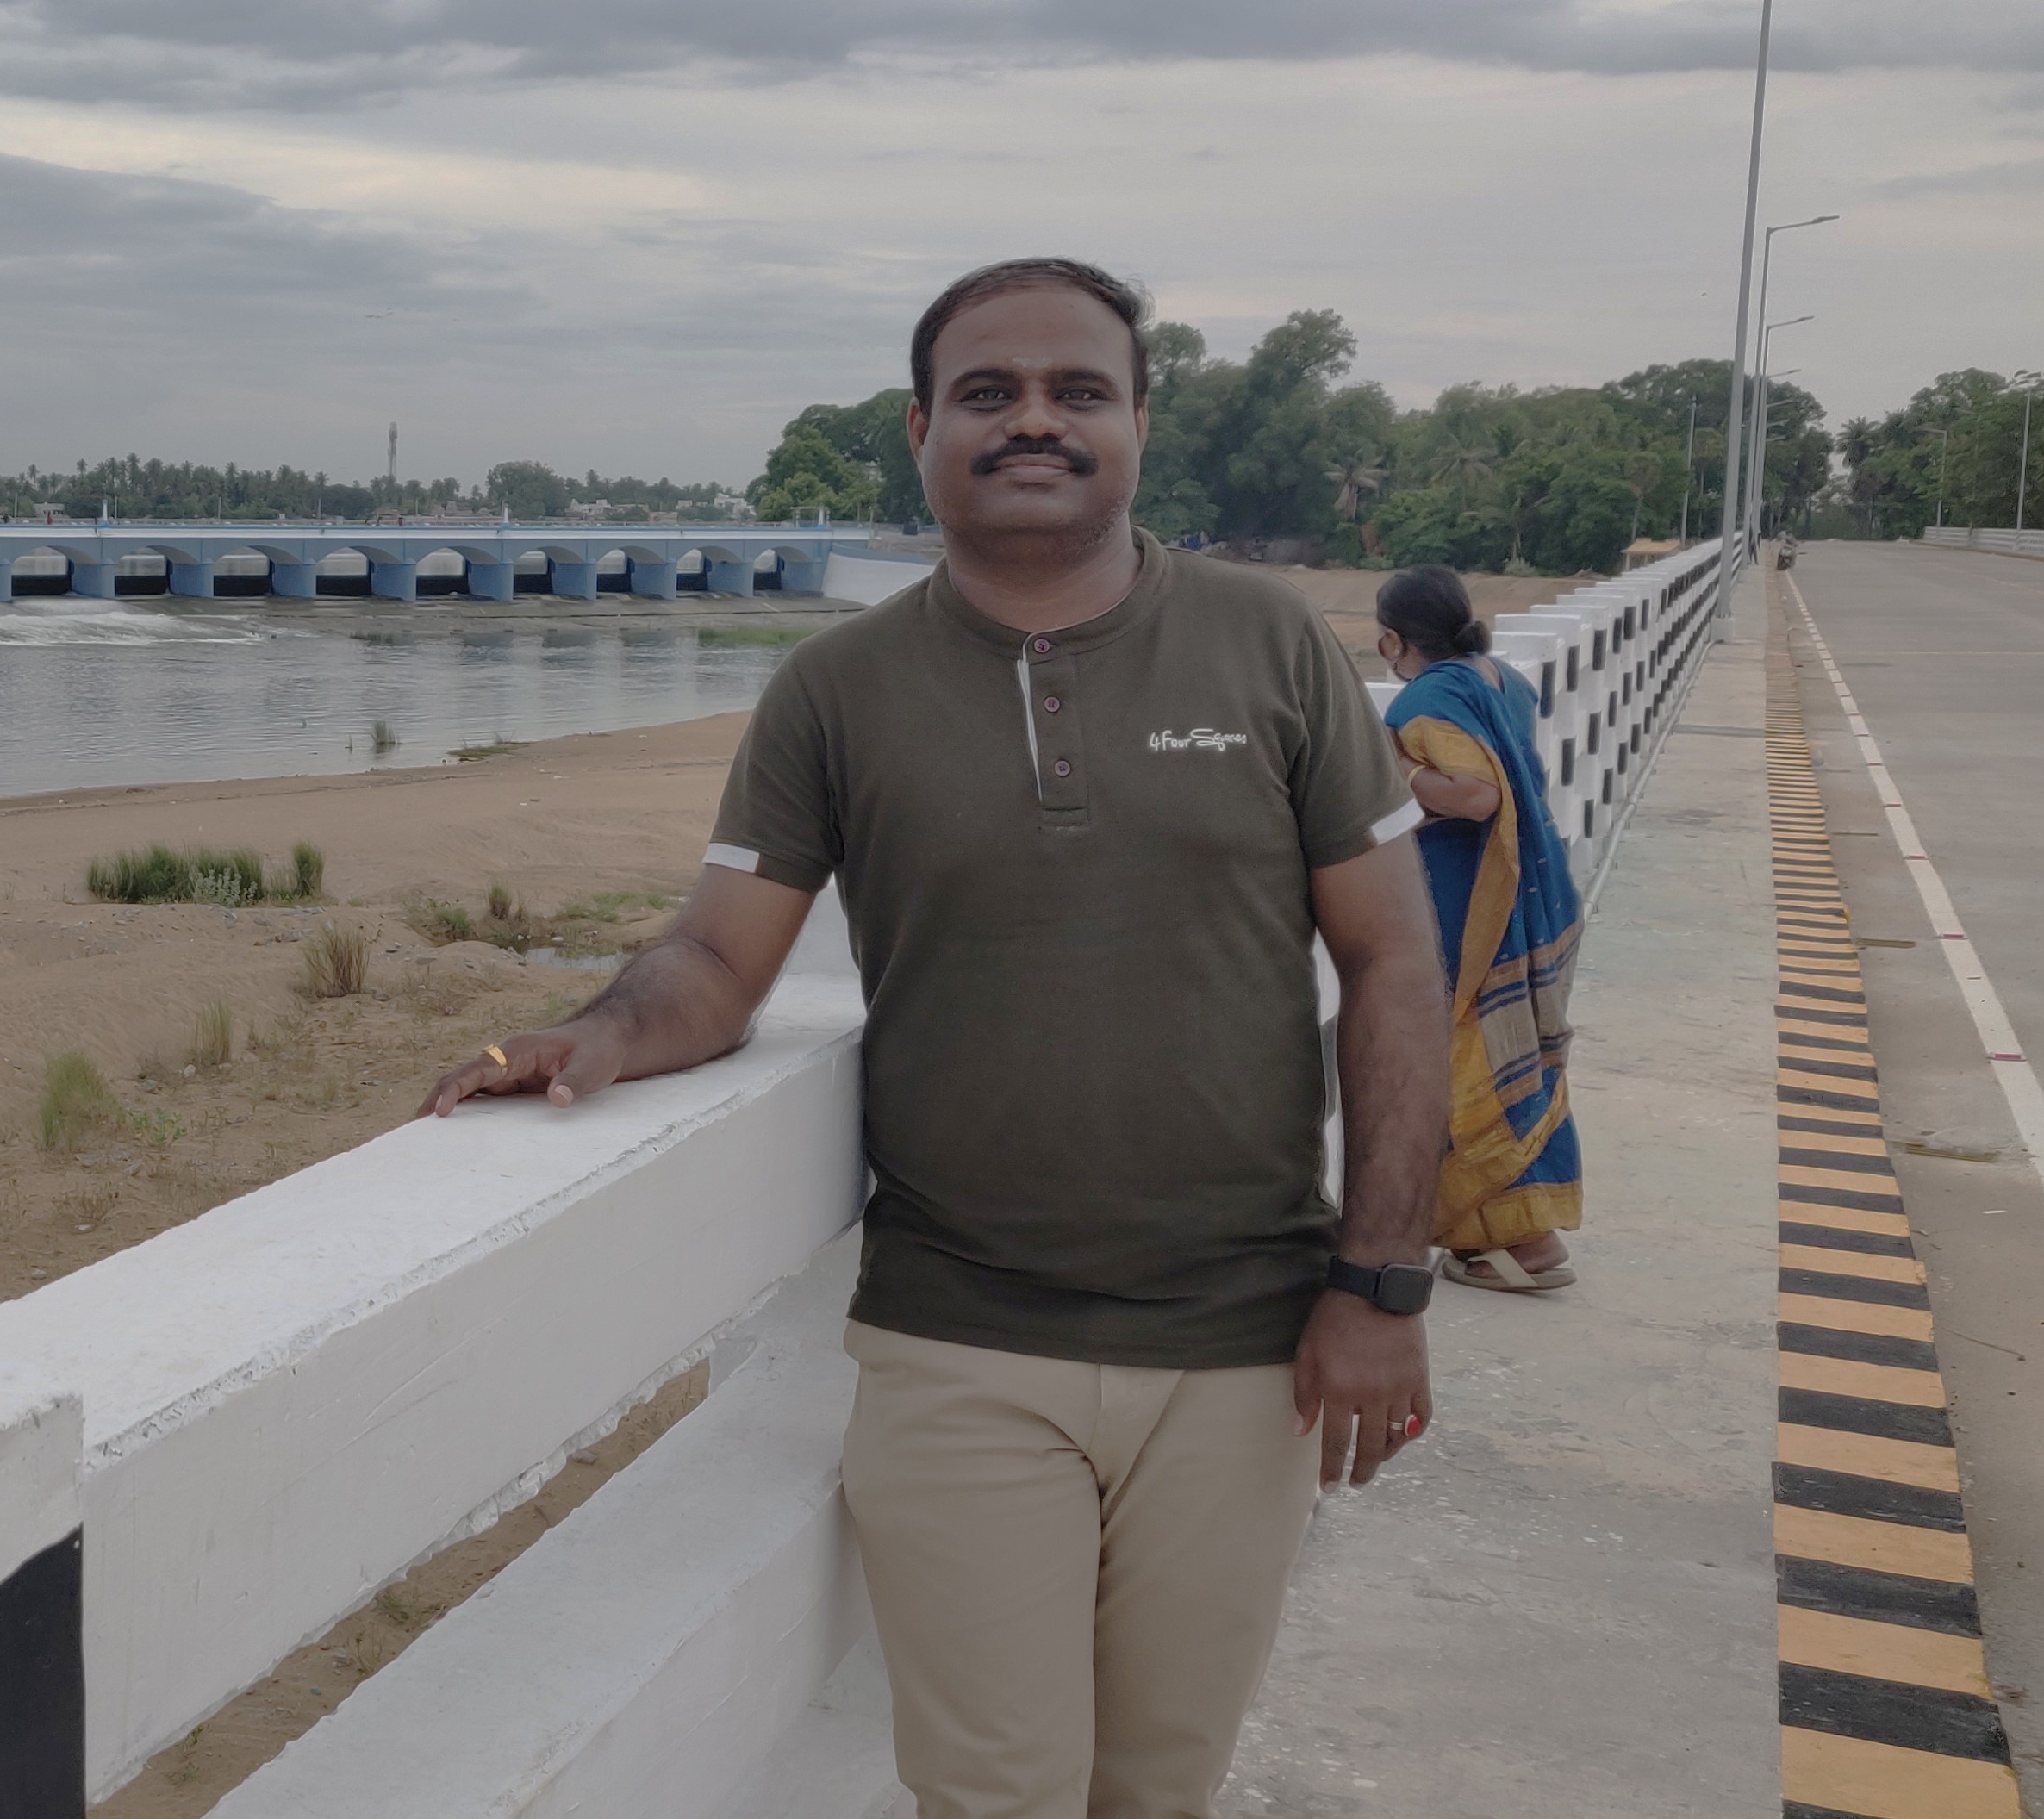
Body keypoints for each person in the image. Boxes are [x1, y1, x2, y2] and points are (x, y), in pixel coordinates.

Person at [421, 257, 1450, 1819]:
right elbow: (717, 954)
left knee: (1160, 1788)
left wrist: (1379, 1282)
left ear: (1137, 424)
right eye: (986, 392)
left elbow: (1392, 963)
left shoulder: (1271, 645)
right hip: (959, 1340)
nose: (1032, 420)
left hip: (1245, 1340)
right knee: (992, 1793)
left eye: (1075, 390)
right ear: (921, 429)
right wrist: (597, 1032)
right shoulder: (835, 691)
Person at [1375, 564, 1583, 1293]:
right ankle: (1510, 1233)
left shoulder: (1427, 696)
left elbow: (1475, 795)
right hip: (1528, 894)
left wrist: (1396, 771)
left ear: (1391, 641)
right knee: (1515, 1059)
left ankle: (1520, 1241)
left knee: (1476, 1067)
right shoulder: (1501, 679)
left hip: (1473, 906)